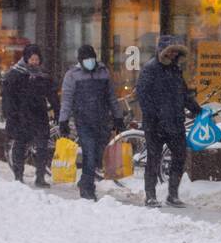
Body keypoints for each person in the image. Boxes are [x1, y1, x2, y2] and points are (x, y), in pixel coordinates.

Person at [135, 42, 200, 207]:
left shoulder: (175, 70)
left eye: (175, 53)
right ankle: (150, 195)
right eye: (169, 53)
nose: (172, 56)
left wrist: (196, 109)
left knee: (180, 156)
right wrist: (155, 115)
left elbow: (183, 94)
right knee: (154, 159)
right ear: (161, 52)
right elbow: (143, 96)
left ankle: (173, 194)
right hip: (155, 124)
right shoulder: (150, 69)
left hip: (175, 122)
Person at [59, 44, 123, 201]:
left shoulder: (103, 72)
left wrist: (118, 117)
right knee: (89, 153)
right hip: (84, 121)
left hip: (102, 121)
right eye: (87, 59)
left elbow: (111, 97)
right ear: (80, 61)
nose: (90, 62)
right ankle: (88, 188)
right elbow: (67, 100)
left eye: (92, 58)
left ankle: (84, 181)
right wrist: (63, 120)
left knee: (98, 155)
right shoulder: (72, 75)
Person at [1, 44, 57, 187]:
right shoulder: (14, 75)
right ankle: (18, 175)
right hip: (21, 116)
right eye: (32, 59)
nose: (34, 62)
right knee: (20, 145)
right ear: (26, 59)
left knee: (42, 146)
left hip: (39, 115)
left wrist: (57, 110)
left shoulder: (43, 76)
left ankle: (40, 177)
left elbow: (52, 95)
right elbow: (7, 97)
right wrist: (10, 114)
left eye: (37, 59)